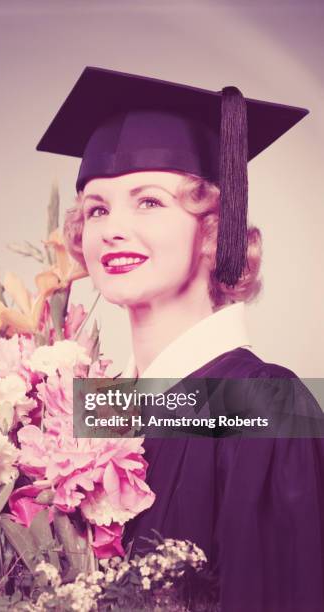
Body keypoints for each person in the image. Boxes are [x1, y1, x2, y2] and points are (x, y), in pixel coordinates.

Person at [36, 67, 324, 612]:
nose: (112, 228)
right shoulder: (96, 415)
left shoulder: (263, 405)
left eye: (148, 202)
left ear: (215, 231)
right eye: (97, 209)